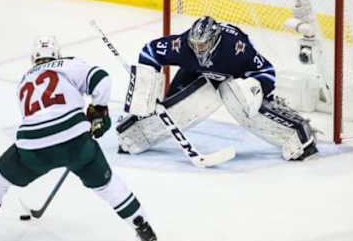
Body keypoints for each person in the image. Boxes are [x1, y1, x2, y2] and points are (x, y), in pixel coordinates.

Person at [0, 36, 157, 241]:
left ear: (33, 59)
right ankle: (141, 225)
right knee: (106, 184)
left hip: (33, 148)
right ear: (57, 54)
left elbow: (41, 116)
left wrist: (92, 117)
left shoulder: (24, 80)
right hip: (76, 142)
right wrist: (98, 111)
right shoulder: (69, 63)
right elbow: (102, 79)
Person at [117, 16, 318, 161]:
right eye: (194, 45)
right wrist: (147, 95)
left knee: (243, 102)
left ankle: (299, 134)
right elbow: (150, 52)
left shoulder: (236, 48)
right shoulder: (182, 45)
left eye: (203, 46)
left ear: (214, 41)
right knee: (171, 111)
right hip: (194, 71)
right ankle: (134, 131)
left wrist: (255, 89)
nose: (197, 50)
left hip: (232, 74)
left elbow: (265, 70)